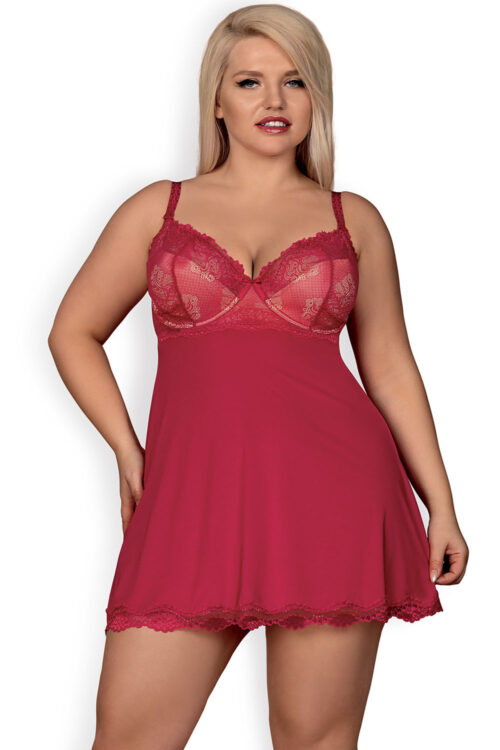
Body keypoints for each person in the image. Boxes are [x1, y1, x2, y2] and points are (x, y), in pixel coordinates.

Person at [48, 5, 469, 749]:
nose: (274, 100)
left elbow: (391, 368)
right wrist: (128, 451)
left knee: (315, 741)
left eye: (295, 82)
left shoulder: (353, 220)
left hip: (336, 497)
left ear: (317, 98)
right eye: (250, 81)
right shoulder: (158, 209)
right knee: (129, 738)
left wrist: (442, 504)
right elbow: (73, 333)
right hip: (192, 497)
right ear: (217, 98)